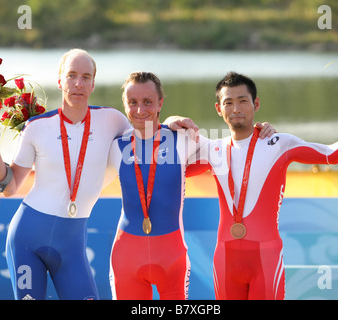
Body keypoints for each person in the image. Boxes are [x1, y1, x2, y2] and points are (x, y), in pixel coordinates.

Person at [0, 50, 196, 300]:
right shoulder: (37, 127)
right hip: (27, 237)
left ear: (93, 83)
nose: (78, 84)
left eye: (85, 77)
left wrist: (173, 119)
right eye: (71, 76)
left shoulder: (112, 120)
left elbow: (148, 130)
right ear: (60, 81)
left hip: (71, 245)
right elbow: (10, 186)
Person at [187, 71, 338, 300]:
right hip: (225, 260)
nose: (236, 108)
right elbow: (165, 168)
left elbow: (331, 154)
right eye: (228, 102)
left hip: (265, 259)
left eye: (242, 101)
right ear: (219, 109)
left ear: (256, 104)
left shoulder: (279, 143)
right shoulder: (212, 150)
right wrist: (171, 123)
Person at [107, 71, 277, 299]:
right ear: (124, 105)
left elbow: (232, 147)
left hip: (172, 260)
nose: (140, 110)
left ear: (160, 103)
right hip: (125, 258)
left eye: (148, 102)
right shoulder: (114, 146)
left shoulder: (183, 138)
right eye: (133, 103)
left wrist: (263, 133)